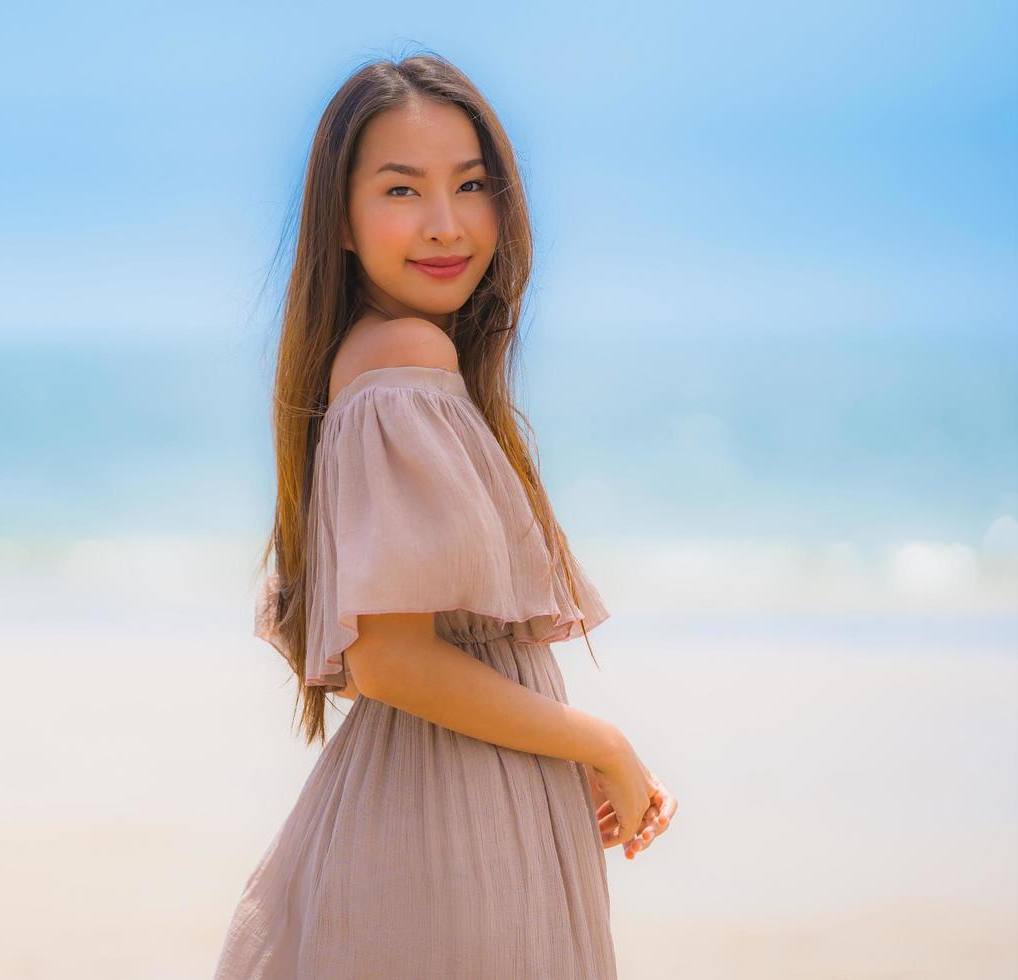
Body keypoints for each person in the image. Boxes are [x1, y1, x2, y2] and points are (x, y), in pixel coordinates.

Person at [213, 52, 677, 979]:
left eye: (471, 185)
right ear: (339, 222)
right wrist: (603, 742)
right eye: (401, 189)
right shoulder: (403, 360)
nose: (446, 224)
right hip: (448, 840)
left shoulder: (371, 364)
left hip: (441, 817)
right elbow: (389, 656)